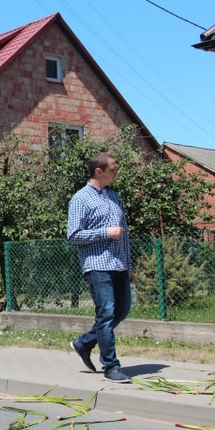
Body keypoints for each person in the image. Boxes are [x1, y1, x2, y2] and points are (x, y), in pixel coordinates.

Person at [67, 152, 132, 384]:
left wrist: (128, 265)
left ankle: (84, 343)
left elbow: (123, 236)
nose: (117, 172)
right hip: (97, 264)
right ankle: (111, 366)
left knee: (122, 310)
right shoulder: (80, 199)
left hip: (118, 264)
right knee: (106, 312)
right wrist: (105, 233)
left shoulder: (115, 197)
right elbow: (73, 234)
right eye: (113, 169)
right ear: (99, 171)